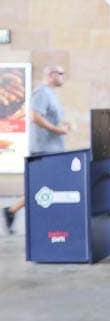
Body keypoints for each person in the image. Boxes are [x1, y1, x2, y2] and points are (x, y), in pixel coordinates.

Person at [4, 63, 70, 232]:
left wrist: (62, 127)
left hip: (54, 149)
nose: (63, 76)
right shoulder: (41, 93)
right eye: (60, 73)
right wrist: (57, 130)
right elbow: (34, 116)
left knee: (44, 186)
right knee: (43, 187)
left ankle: (11, 211)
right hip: (44, 149)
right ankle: (16, 212)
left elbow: (49, 118)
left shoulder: (51, 94)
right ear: (50, 74)